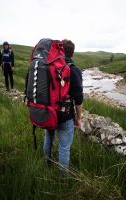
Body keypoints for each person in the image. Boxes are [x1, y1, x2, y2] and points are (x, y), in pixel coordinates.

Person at [43, 39, 83, 172]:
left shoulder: (49, 66)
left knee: (48, 137)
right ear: (72, 54)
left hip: (48, 112)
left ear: (59, 51)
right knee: (64, 147)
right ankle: (62, 179)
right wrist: (78, 118)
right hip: (65, 116)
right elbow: (78, 98)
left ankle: (47, 164)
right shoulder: (74, 70)